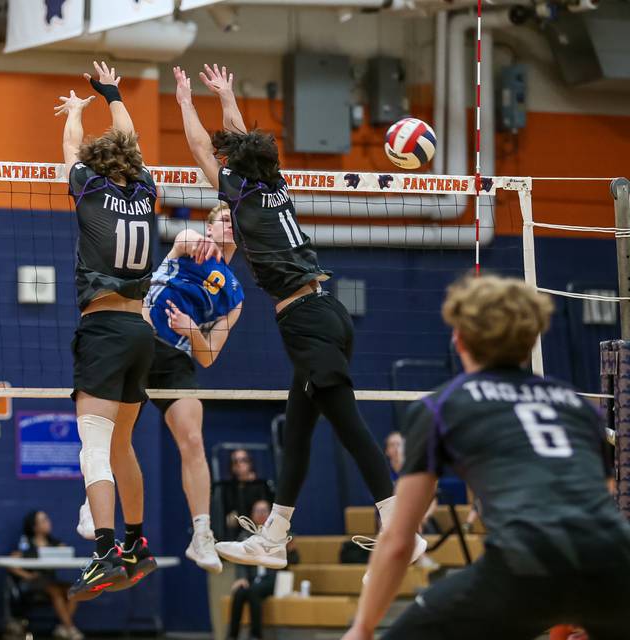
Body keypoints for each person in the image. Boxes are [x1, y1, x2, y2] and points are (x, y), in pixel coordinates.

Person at [172, 63, 425, 569]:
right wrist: (226, 94)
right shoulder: (274, 184)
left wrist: (184, 101)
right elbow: (241, 142)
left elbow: (203, 148)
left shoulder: (241, 194)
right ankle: (274, 535)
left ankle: (402, 527)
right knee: (298, 432)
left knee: (350, 425)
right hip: (326, 313)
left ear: (237, 167)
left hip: (307, 321)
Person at [342, 275, 630, 640]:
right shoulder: (576, 404)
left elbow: (399, 539)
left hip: (525, 564)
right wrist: (580, 609)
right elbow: (597, 505)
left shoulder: (442, 405)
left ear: (459, 339)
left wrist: (362, 627)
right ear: (531, 339)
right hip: (617, 564)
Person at [57, 61, 213, 600]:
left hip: (103, 330)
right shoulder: (146, 187)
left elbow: (73, 146)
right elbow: (133, 146)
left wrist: (77, 112)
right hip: (140, 334)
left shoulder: (87, 184)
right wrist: (112, 93)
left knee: (94, 449)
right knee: (122, 444)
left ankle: (103, 554)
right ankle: (136, 544)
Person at [77, 202, 241, 574]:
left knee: (193, 440)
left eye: (236, 221)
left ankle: (202, 535)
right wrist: (198, 239)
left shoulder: (235, 294)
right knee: (113, 437)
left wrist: (191, 330)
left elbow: (209, 356)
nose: (231, 226)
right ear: (211, 227)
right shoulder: (189, 245)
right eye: (224, 220)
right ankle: (92, 505)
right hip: (140, 341)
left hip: (176, 357)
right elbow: (183, 237)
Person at [226, 499, 299, 640]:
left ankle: (255, 635)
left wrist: (292, 552)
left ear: (271, 514)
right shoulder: (245, 536)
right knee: (239, 592)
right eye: (258, 511)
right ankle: (232, 635)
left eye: (264, 511)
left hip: (273, 579)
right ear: (252, 514)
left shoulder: (281, 533)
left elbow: (294, 561)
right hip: (253, 578)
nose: (261, 514)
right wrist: (240, 578)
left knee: (254, 591)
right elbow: (240, 561)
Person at [9, 511, 82, 640]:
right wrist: (27, 575)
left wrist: (63, 552)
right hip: (34, 582)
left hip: (51, 581)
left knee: (74, 591)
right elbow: (11, 563)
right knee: (54, 591)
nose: (48, 523)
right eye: (43, 521)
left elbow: (66, 553)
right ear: (34, 526)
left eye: (47, 519)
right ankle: (70, 627)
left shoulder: (54, 543)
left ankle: (63, 627)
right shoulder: (27, 544)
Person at [221, 448, 274, 541]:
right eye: (235, 461)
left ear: (250, 462)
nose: (239, 464)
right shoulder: (229, 488)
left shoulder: (261, 484)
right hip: (239, 533)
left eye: (243, 460)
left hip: (263, 530)